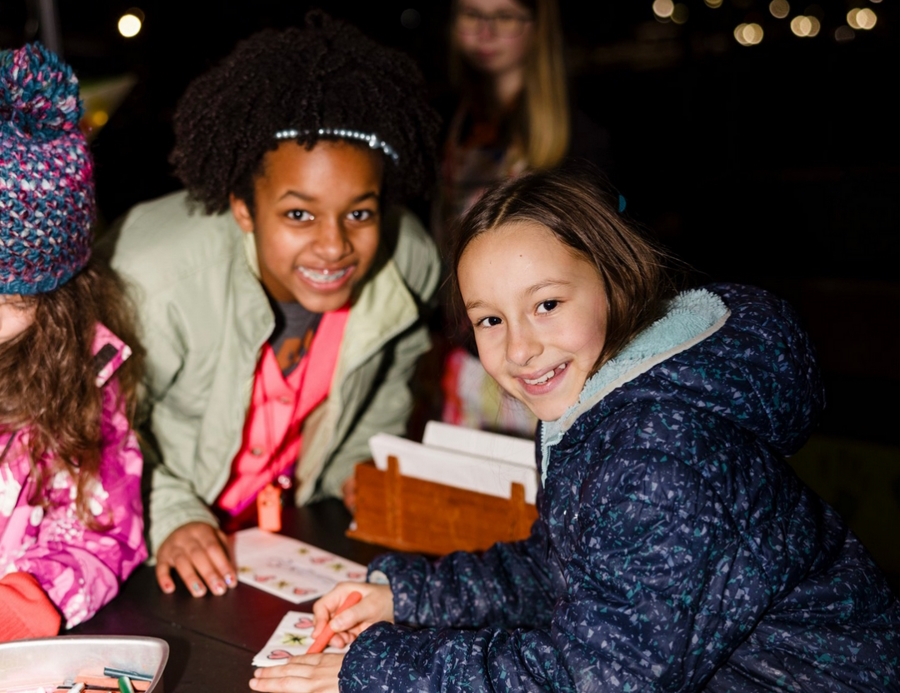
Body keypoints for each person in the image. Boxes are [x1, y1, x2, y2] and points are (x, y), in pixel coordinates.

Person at [250, 168, 900, 692]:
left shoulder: (660, 454)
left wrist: (381, 669)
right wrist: (405, 594)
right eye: (491, 320)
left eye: (547, 304)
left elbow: (597, 675)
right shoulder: (605, 401)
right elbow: (558, 568)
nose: (522, 348)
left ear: (616, 285)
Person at [105, 12, 442, 599]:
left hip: (287, 537)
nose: (335, 244)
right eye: (298, 214)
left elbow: (392, 381)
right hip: (147, 550)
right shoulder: (152, 281)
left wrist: (358, 468)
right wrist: (174, 517)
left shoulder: (408, 261)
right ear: (242, 208)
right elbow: (96, 432)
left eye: (359, 212)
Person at [0, 43, 147, 642]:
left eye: (9, 301)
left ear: (55, 304)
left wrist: (30, 597)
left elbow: (102, 529)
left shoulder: (79, 377)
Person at [430, 0, 612, 440]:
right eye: (472, 16)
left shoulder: (578, 134)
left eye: (505, 16)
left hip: (548, 360)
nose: (485, 32)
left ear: (536, 26)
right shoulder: (445, 120)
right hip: (469, 352)